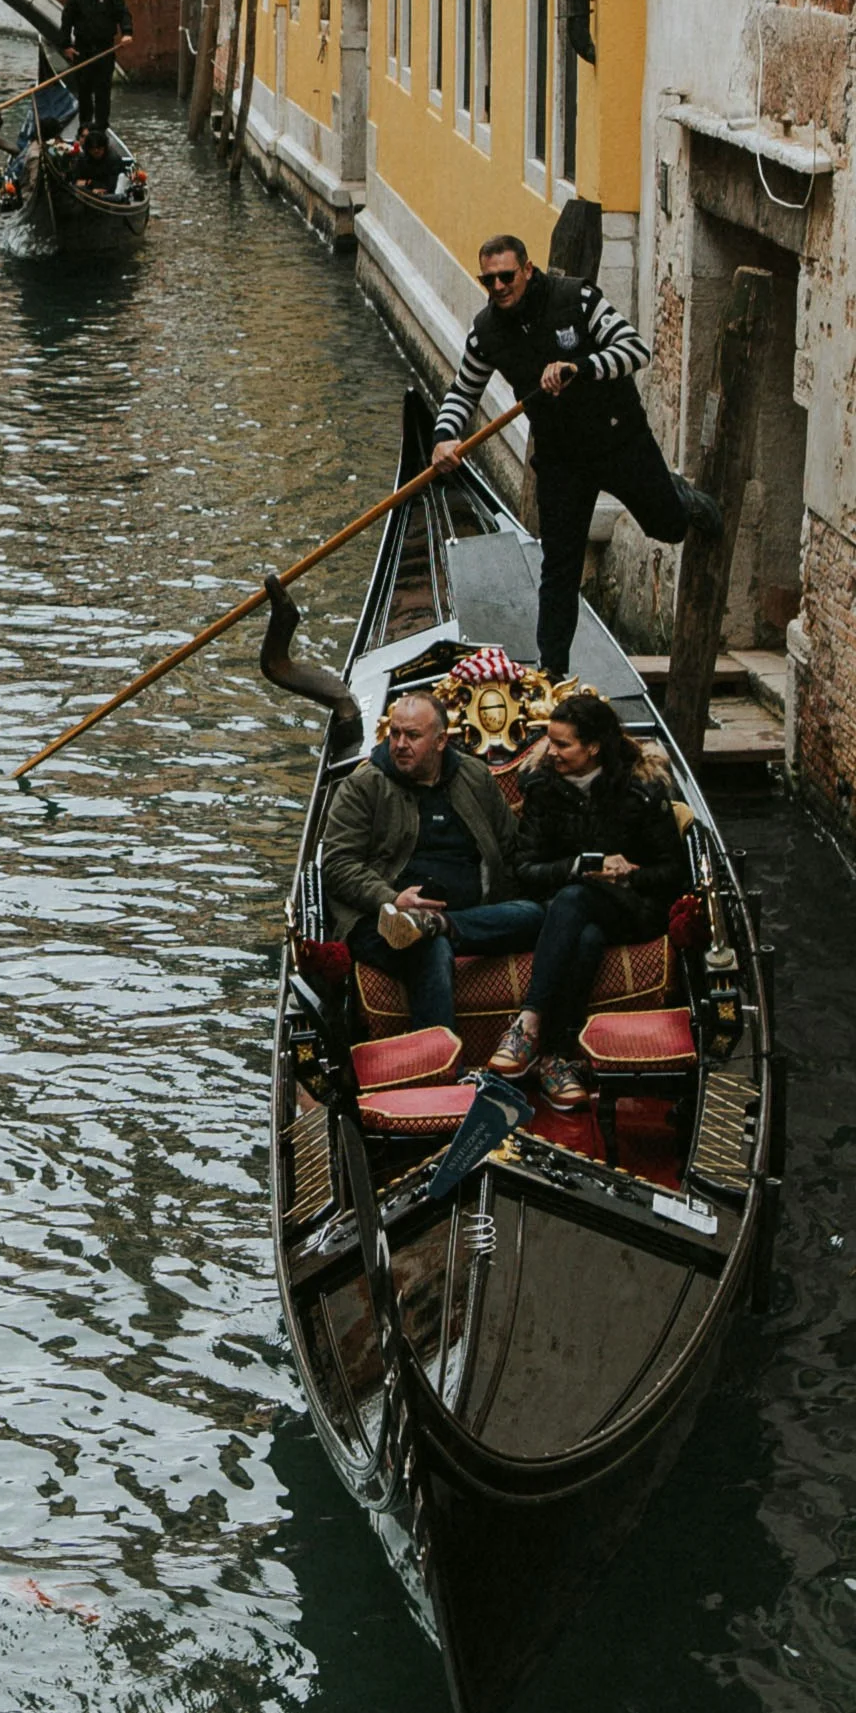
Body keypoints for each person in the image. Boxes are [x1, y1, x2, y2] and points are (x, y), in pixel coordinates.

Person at [392, 689, 687, 1218]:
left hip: (635, 909)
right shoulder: (542, 788)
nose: (550, 752)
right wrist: (578, 866)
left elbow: (674, 874)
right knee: (579, 921)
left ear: (594, 748)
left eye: (562, 744)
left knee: (573, 905)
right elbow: (527, 869)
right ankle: (554, 1055)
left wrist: (629, 872)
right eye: (550, 742)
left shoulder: (642, 791)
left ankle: (523, 1020)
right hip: (573, 914)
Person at [430, 228, 711, 679]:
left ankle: (681, 496)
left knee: (670, 528)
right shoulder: (486, 332)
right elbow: (463, 391)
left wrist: (578, 367)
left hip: (619, 441)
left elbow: (635, 350)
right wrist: (444, 437)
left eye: (506, 277)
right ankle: (552, 674)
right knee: (559, 570)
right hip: (562, 459)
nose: (498, 288)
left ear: (527, 269)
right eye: (489, 281)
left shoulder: (577, 299)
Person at [310, 681, 539, 1050]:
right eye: (395, 734)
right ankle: (439, 1068)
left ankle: (440, 925)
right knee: (428, 946)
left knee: (534, 914)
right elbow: (337, 864)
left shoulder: (474, 777)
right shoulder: (364, 785)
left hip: (472, 916)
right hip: (384, 920)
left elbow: (512, 850)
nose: (400, 744)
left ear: (440, 740)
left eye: (412, 736)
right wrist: (392, 898)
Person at [54, 0, 132, 139]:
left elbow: (123, 13)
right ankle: (84, 126)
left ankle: (101, 127)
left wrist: (127, 32)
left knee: (103, 90)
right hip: (83, 49)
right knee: (84, 90)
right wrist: (66, 46)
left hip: (105, 49)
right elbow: (66, 20)